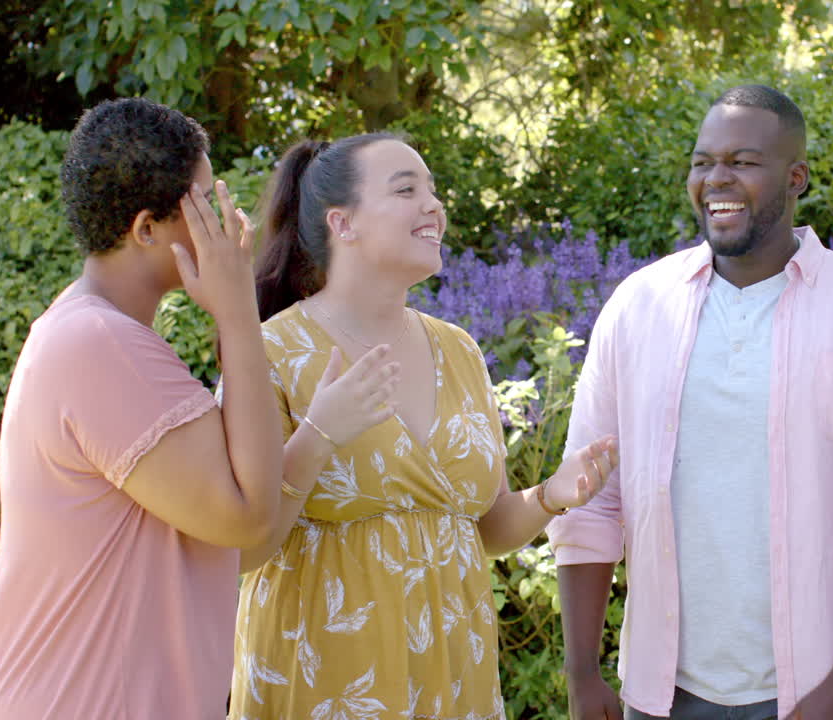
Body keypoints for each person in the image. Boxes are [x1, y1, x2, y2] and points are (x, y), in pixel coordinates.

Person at [547, 85, 833, 720]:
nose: (717, 179)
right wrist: (581, 669)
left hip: (811, 695)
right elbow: (591, 500)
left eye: (744, 162)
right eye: (703, 162)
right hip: (660, 693)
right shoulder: (639, 308)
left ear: (796, 176)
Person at [226, 132, 619, 719]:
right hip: (325, 676)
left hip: (452, 677)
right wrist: (319, 433)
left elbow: (479, 529)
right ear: (344, 223)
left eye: (433, 191)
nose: (434, 205)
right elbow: (241, 549)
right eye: (407, 190)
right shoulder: (269, 352)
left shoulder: (458, 350)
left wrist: (549, 496)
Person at [0, 98, 284, 718]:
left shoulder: (92, 333)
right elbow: (248, 519)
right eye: (205, 203)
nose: (224, 221)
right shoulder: (102, 345)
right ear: (146, 229)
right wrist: (238, 313)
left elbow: (237, 538)